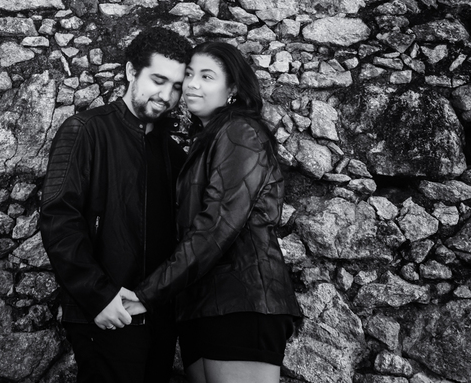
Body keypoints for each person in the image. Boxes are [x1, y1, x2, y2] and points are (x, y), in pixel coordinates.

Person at [123, 41, 302, 383]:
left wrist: (149, 293)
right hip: (201, 306)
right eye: (189, 75)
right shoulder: (208, 139)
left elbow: (217, 226)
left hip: (242, 300)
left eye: (207, 77)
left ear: (232, 89)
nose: (192, 84)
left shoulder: (240, 132)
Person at [39, 26, 193, 383]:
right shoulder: (85, 130)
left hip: (158, 320)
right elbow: (59, 219)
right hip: (106, 316)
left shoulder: (173, 154)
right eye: (158, 80)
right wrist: (99, 297)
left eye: (176, 87)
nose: (166, 95)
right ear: (130, 71)